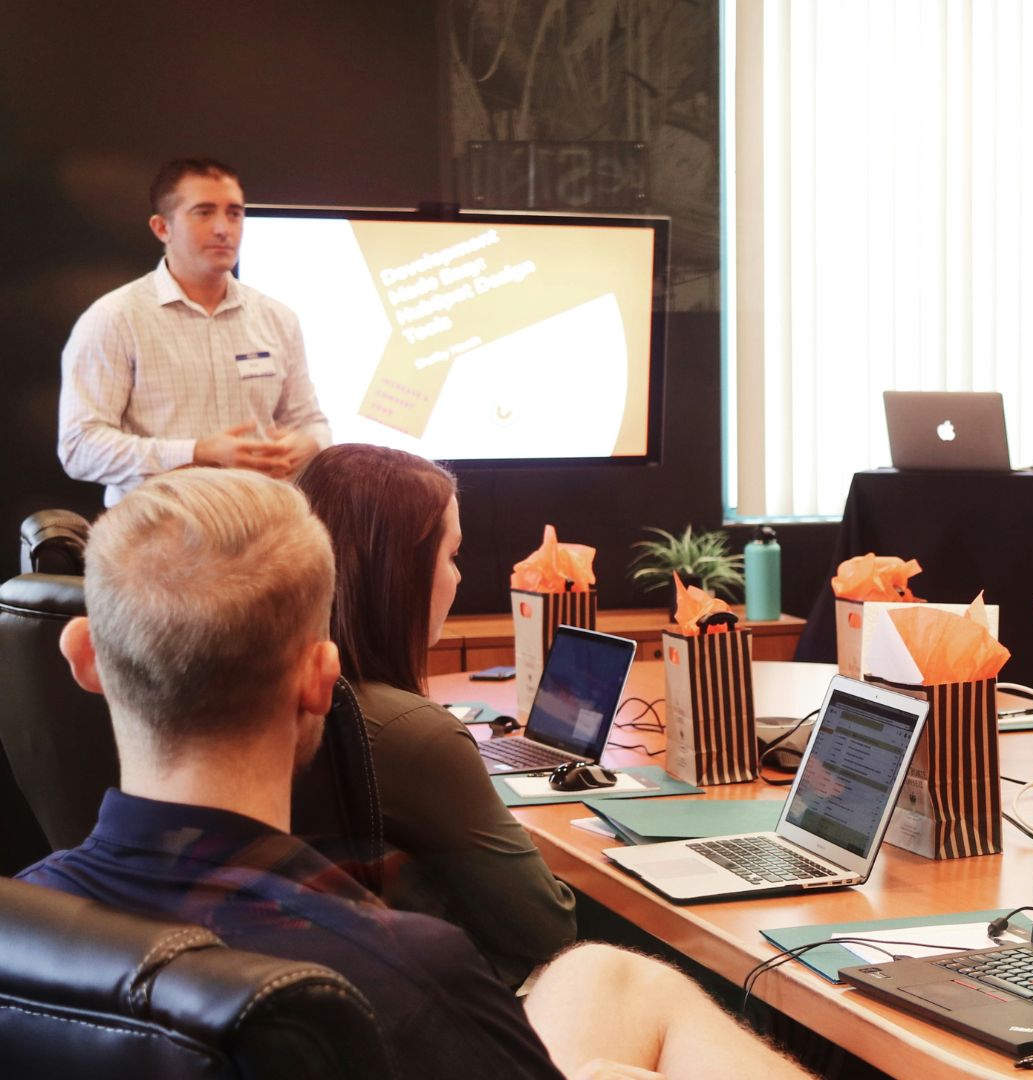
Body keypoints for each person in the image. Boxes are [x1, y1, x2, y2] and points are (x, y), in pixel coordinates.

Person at [17, 468, 805, 1079]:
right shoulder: (409, 974)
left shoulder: (21, 925)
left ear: (83, 657)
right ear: (320, 680)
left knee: (606, 977)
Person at [295, 443, 576, 986]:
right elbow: (550, 929)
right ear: (398, 572)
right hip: (457, 1003)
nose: (458, 578)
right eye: (452, 556)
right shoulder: (414, 734)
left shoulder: (275, 697)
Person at [57, 157, 330, 505]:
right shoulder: (115, 318)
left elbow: (312, 423)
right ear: (162, 228)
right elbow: (79, 448)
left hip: (263, 522)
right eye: (204, 212)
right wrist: (197, 453)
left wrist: (308, 444)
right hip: (160, 526)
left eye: (234, 213)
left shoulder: (277, 317)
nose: (223, 228)